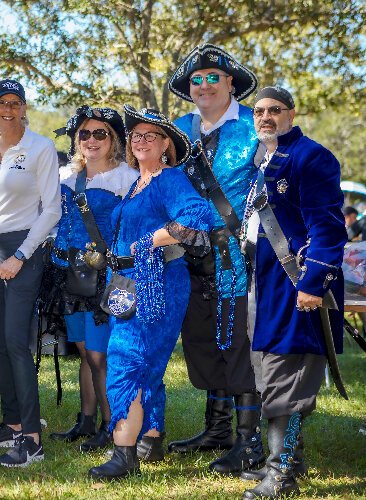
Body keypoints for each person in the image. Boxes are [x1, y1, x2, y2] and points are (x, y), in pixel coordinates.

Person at [89, 105, 211, 480]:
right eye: (136, 136)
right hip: (131, 284)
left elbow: (197, 215)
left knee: (127, 361)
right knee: (149, 366)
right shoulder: (137, 183)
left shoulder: (168, 179)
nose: (141, 141)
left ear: (166, 146)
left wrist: (149, 242)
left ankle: (124, 454)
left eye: (151, 136)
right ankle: (150, 440)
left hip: (157, 283)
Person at [241, 86, 347, 499]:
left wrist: (312, 284)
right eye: (259, 111)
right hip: (265, 286)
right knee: (269, 371)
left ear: (291, 113)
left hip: (298, 284)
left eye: (275, 110)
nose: (266, 117)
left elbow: (328, 228)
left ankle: (280, 474)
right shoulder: (260, 161)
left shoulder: (311, 156)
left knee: (292, 373)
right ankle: (291, 461)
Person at [166, 43, 265, 474]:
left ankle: (249, 441)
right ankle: (218, 429)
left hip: (240, 254)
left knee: (239, 341)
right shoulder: (178, 128)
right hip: (189, 254)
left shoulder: (255, 124)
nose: (204, 85)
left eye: (213, 78)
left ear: (230, 84)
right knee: (205, 339)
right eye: (196, 80)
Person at [0, 79, 61, 467]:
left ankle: (33, 440)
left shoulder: (40, 148)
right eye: (1, 102)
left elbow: (53, 209)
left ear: (24, 107)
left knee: (17, 342)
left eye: (15, 103)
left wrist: (21, 254)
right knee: (0, 343)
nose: (8, 109)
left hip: (24, 248)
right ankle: (12, 424)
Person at [47, 106, 138, 453]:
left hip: (106, 278)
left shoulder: (127, 178)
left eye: (100, 133)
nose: (91, 140)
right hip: (70, 277)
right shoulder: (67, 178)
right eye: (84, 134)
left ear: (113, 139)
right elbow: (53, 220)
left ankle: (111, 424)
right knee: (86, 353)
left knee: (100, 356)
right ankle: (86, 420)